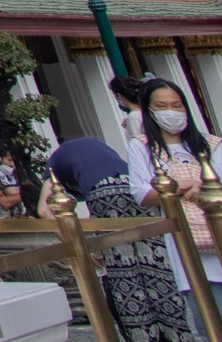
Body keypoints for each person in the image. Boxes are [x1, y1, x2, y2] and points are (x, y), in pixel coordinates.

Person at [129, 77, 222, 339]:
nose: (171, 112)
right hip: (190, 250)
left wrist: (207, 190)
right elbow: (142, 193)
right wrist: (175, 188)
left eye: (176, 105)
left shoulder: (211, 144)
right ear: (149, 110)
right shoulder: (142, 147)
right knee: (217, 328)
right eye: (162, 106)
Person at [52, 136, 201, 342]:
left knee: (124, 271)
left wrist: (79, 246)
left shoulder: (53, 165)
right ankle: (176, 334)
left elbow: (45, 210)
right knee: (154, 264)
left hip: (104, 193)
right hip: (135, 188)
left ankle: (143, 335)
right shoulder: (97, 150)